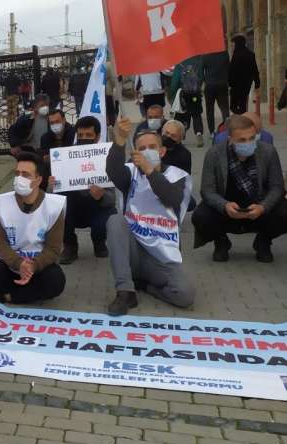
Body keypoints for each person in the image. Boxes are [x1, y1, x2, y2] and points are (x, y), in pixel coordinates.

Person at [105, 117, 195, 315]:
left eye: (152, 147)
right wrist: (119, 140)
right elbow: (113, 171)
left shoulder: (177, 176)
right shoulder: (131, 173)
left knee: (185, 295)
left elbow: (170, 197)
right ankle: (125, 291)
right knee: (114, 220)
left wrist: (149, 170)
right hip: (134, 250)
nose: (147, 152)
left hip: (161, 255)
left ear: (161, 151)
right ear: (135, 153)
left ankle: (146, 287)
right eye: (142, 148)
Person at [192, 115, 287, 263]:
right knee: (200, 216)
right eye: (242, 140)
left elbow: (277, 187)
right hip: (227, 211)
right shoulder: (214, 154)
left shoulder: (268, 152)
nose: (248, 143)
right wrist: (224, 206)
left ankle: (263, 242)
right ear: (230, 139)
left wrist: (263, 207)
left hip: (259, 209)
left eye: (252, 138)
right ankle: (221, 242)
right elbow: (207, 190)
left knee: (284, 212)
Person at [0, 152, 66, 304]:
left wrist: (33, 266)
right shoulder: (3, 203)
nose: (19, 178)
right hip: (11, 264)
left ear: (38, 180)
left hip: (37, 267)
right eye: (17, 173)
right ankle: (25, 294)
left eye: (25, 174)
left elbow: (53, 249)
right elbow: (0, 243)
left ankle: (7, 296)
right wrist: (19, 264)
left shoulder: (54, 206)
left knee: (56, 280)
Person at [57, 117, 117, 264]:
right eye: (80, 135)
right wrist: (53, 185)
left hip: (97, 208)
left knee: (110, 214)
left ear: (97, 137)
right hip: (74, 209)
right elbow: (52, 196)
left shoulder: (106, 158)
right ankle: (70, 245)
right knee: (58, 209)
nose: (84, 139)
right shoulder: (66, 157)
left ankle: (99, 242)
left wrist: (102, 195)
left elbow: (112, 198)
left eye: (88, 135)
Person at [169, 55, 205, 147]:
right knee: (196, 114)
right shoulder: (198, 61)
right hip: (195, 95)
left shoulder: (180, 64)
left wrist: (172, 95)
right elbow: (201, 77)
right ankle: (199, 133)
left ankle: (183, 130)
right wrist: (196, 88)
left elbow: (174, 82)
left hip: (183, 94)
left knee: (183, 114)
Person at [228, 35, 261, 115]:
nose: (234, 46)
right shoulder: (251, 54)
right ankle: (243, 118)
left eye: (234, 44)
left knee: (233, 106)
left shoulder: (236, 55)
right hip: (246, 84)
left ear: (238, 44)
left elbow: (231, 70)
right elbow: (255, 70)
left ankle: (241, 117)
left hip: (236, 85)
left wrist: (229, 83)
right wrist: (257, 84)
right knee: (243, 103)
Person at [202, 51, 231, 136]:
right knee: (225, 108)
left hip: (209, 85)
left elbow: (201, 71)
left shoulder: (205, 55)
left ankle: (212, 132)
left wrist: (206, 80)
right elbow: (228, 69)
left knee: (210, 109)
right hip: (222, 84)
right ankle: (227, 129)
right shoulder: (225, 54)